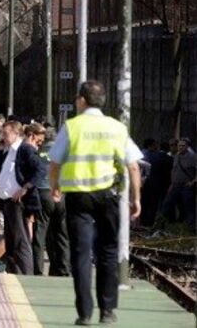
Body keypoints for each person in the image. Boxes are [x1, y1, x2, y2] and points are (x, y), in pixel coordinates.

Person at [48, 80, 142, 325]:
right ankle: (108, 310)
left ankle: (84, 313)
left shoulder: (72, 126)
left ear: (81, 100)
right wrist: (136, 198)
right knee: (108, 252)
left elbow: (55, 162)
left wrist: (55, 187)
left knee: (80, 253)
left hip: (78, 198)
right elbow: (133, 165)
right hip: (109, 196)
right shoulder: (117, 127)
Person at [0, 120, 44, 275]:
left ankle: (25, 274)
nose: (3, 136)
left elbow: (40, 170)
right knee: (11, 241)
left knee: (21, 241)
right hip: (7, 202)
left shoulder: (24, 149)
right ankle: (13, 272)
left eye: (6, 133)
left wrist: (25, 188)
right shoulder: (8, 150)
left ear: (16, 134)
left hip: (19, 202)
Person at [29, 124, 70, 276]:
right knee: (62, 234)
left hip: (43, 193)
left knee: (40, 233)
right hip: (61, 194)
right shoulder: (64, 153)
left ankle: (37, 270)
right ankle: (63, 270)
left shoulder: (37, 152)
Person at [161, 137, 196, 227]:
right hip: (175, 185)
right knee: (167, 204)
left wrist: (192, 182)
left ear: (187, 146)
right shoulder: (176, 155)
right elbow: (174, 169)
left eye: (183, 146)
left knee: (188, 207)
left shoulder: (193, 157)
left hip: (186, 186)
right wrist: (172, 183)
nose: (180, 147)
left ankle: (189, 226)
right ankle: (162, 223)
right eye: (179, 145)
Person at [140, 137, 173, 227]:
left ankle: (143, 221)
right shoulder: (164, 157)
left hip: (146, 182)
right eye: (155, 145)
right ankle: (149, 222)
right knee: (153, 203)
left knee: (145, 202)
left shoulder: (147, 155)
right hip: (157, 183)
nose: (156, 146)